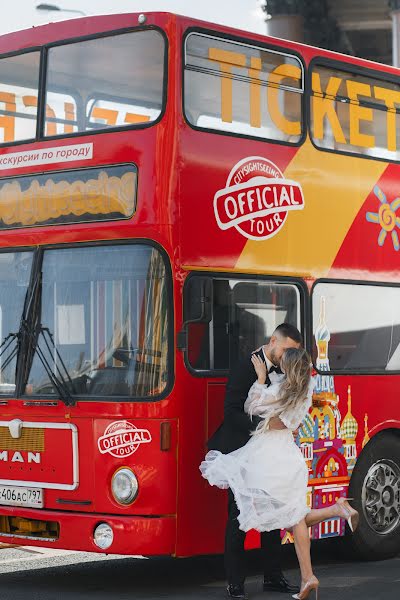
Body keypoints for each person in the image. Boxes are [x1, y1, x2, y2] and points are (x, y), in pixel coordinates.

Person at [201, 347, 359, 600]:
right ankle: (335, 514)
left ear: (287, 369)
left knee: (268, 515)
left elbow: (250, 407)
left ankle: (308, 574)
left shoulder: (278, 390)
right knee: (289, 518)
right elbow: (286, 422)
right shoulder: (304, 392)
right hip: (289, 459)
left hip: (267, 460)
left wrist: (261, 379)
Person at [207, 323, 304, 599]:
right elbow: (231, 413)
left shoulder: (287, 369)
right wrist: (267, 424)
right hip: (241, 450)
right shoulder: (244, 366)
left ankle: (273, 577)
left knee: (272, 514)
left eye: (293, 353)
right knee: (238, 516)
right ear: (273, 341)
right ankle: (235, 582)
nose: (288, 358)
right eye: (286, 350)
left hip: (271, 453)